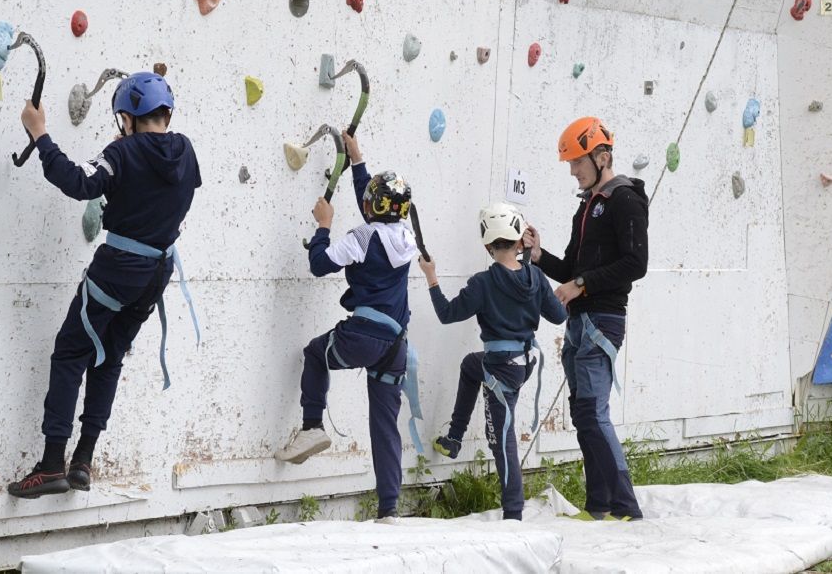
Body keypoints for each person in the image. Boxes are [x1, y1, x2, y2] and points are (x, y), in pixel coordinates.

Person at [7, 72, 201, 498]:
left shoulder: (123, 151)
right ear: (167, 114)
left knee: (71, 351)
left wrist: (40, 133)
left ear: (128, 119)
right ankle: (84, 461)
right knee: (109, 356)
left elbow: (79, 182)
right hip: (157, 273)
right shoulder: (186, 151)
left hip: (119, 269)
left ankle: (52, 463)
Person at [275, 133, 418, 524]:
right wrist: (358, 163)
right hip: (396, 344)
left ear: (372, 207)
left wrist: (324, 226)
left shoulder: (360, 237)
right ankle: (389, 508)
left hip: (363, 336)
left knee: (314, 355)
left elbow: (320, 264)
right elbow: (376, 212)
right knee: (383, 424)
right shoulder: (405, 237)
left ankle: (312, 426)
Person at [524, 116, 648, 521]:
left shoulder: (625, 199)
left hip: (602, 321)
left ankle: (625, 506)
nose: (573, 171)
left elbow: (636, 263)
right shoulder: (588, 206)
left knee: (594, 413)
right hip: (579, 323)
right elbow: (571, 269)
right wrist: (540, 256)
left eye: (577, 162)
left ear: (602, 155)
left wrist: (582, 283)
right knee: (583, 415)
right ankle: (599, 506)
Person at [419, 202, 566, 520]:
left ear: (487, 246)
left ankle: (514, 512)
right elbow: (558, 314)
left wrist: (431, 277)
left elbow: (447, 314)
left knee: (500, 437)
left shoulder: (481, 284)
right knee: (471, 365)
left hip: (502, 369)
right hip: (524, 363)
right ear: (518, 240)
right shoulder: (536, 277)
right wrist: (532, 263)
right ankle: (454, 438)